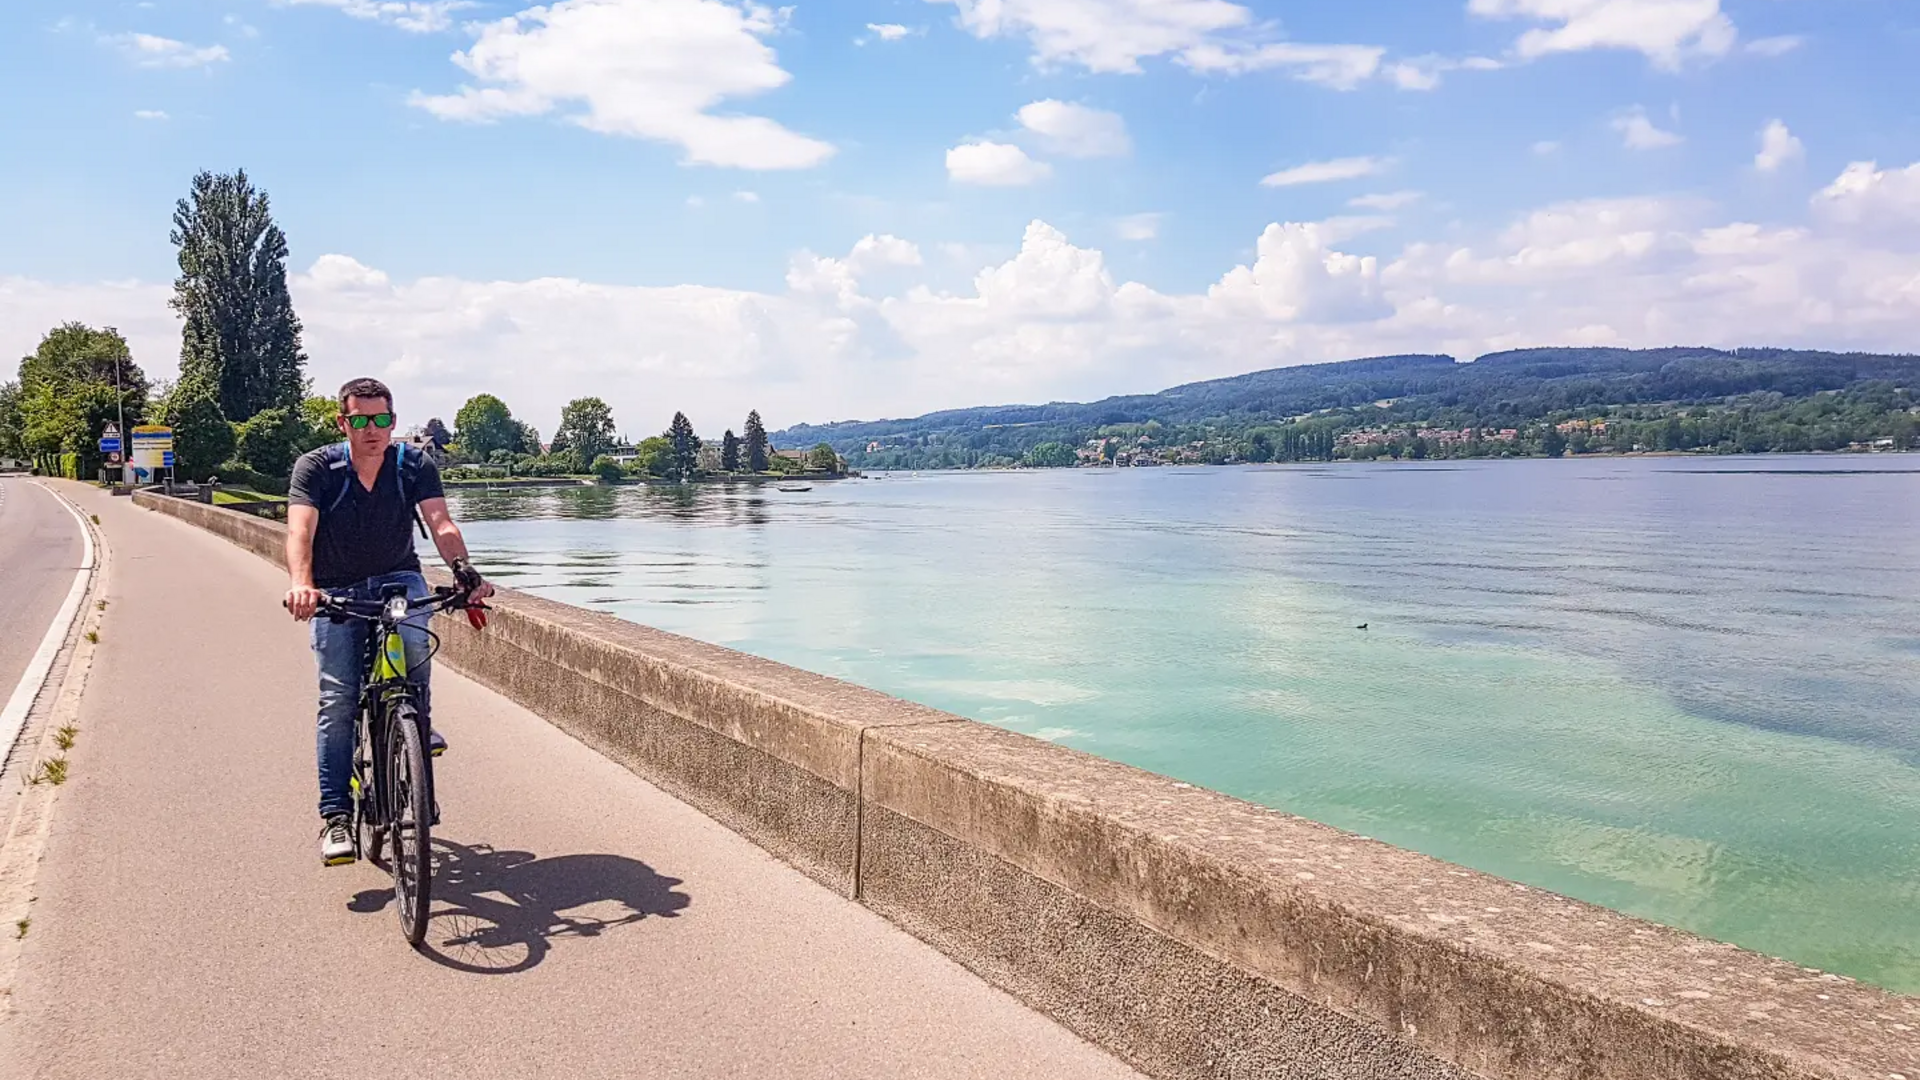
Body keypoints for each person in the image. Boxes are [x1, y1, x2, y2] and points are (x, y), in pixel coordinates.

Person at [285, 377, 495, 866]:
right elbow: (300, 529)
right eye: (360, 420)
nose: (372, 429)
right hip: (335, 590)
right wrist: (302, 583)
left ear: (393, 421)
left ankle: (415, 731)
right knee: (338, 700)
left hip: (398, 579)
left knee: (417, 644)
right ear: (344, 423)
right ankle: (337, 818)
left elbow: (440, 522)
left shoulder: (411, 465)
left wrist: (466, 573)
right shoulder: (317, 467)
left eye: (381, 419)